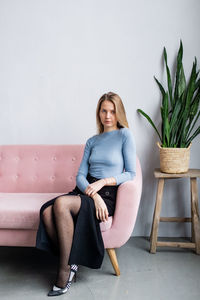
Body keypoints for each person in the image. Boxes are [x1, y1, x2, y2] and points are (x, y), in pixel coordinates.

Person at [36, 92, 136, 296]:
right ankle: (74, 262)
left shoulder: (124, 135)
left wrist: (103, 183)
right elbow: (80, 176)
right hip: (88, 191)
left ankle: (64, 271)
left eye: (112, 111)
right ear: (99, 112)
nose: (108, 116)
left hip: (107, 193)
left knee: (62, 205)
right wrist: (94, 195)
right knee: (46, 212)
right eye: (104, 110)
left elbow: (131, 173)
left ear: (118, 113)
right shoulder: (92, 141)